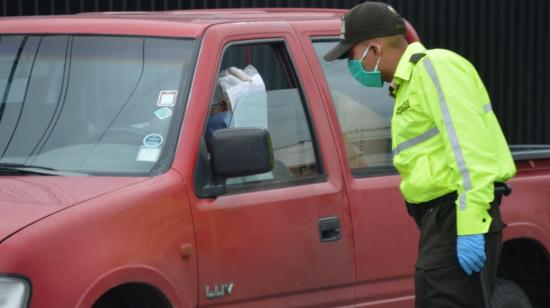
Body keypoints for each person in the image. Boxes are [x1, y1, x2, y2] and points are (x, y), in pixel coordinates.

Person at [324, 2, 516, 307]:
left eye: (352, 55)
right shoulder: (407, 85)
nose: (352, 64)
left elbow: (470, 152)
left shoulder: (434, 68)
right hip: (440, 223)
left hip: (456, 218)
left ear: (372, 49)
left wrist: (469, 227)